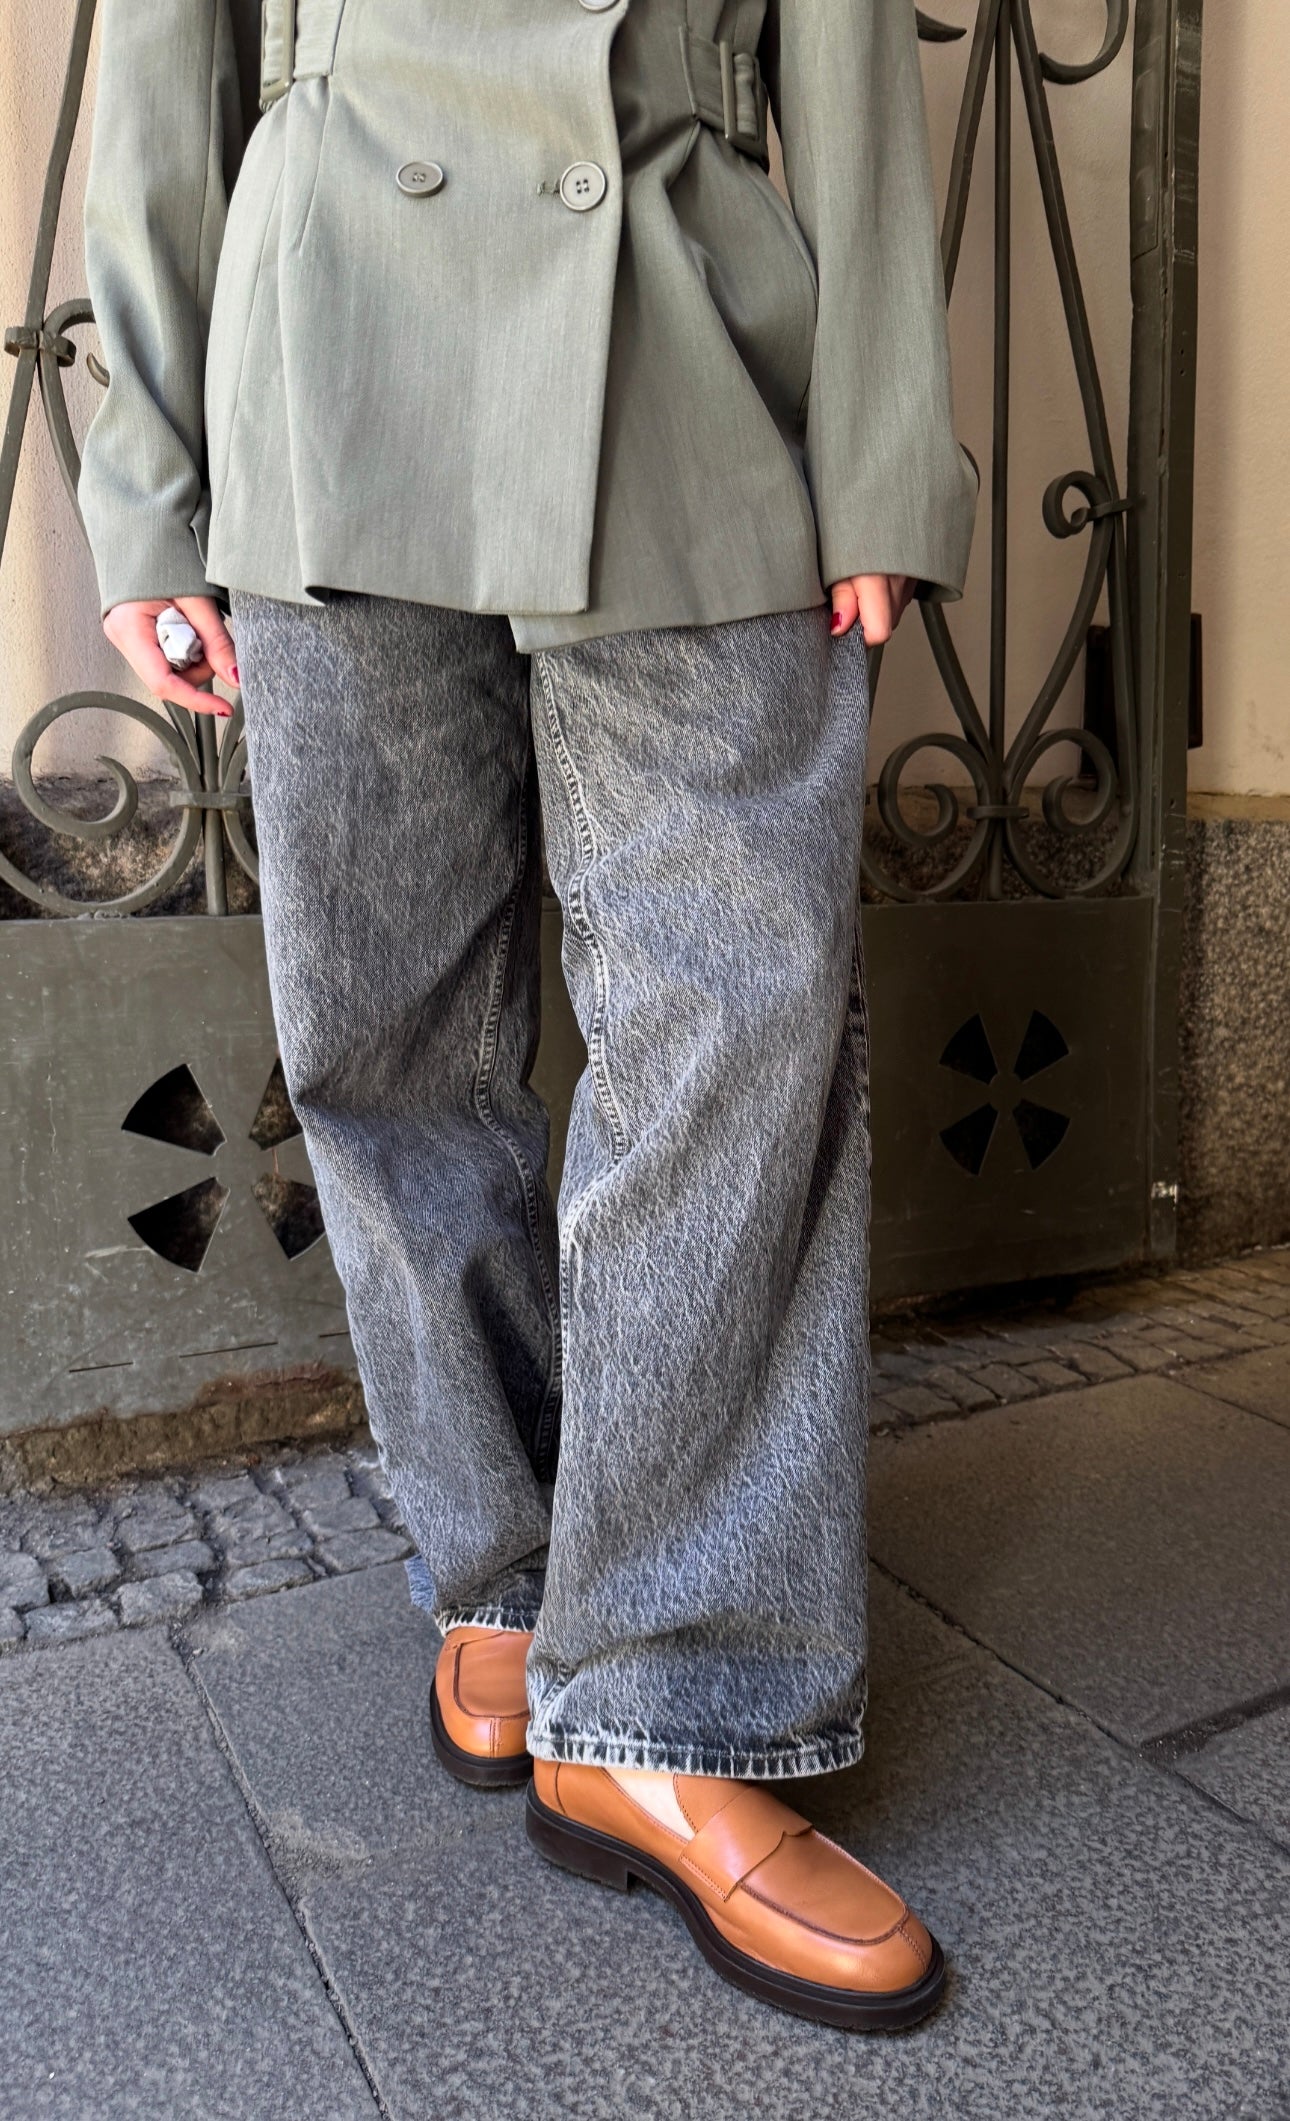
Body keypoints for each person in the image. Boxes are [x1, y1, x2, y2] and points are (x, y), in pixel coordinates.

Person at [82, 0, 977, 2032]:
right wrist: (146, 471)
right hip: (332, 349)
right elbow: (161, 58)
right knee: (388, 1042)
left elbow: (845, 53)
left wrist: (879, 447)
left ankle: (670, 1696)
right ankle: (501, 1563)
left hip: (686, 352)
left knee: (734, 1035)